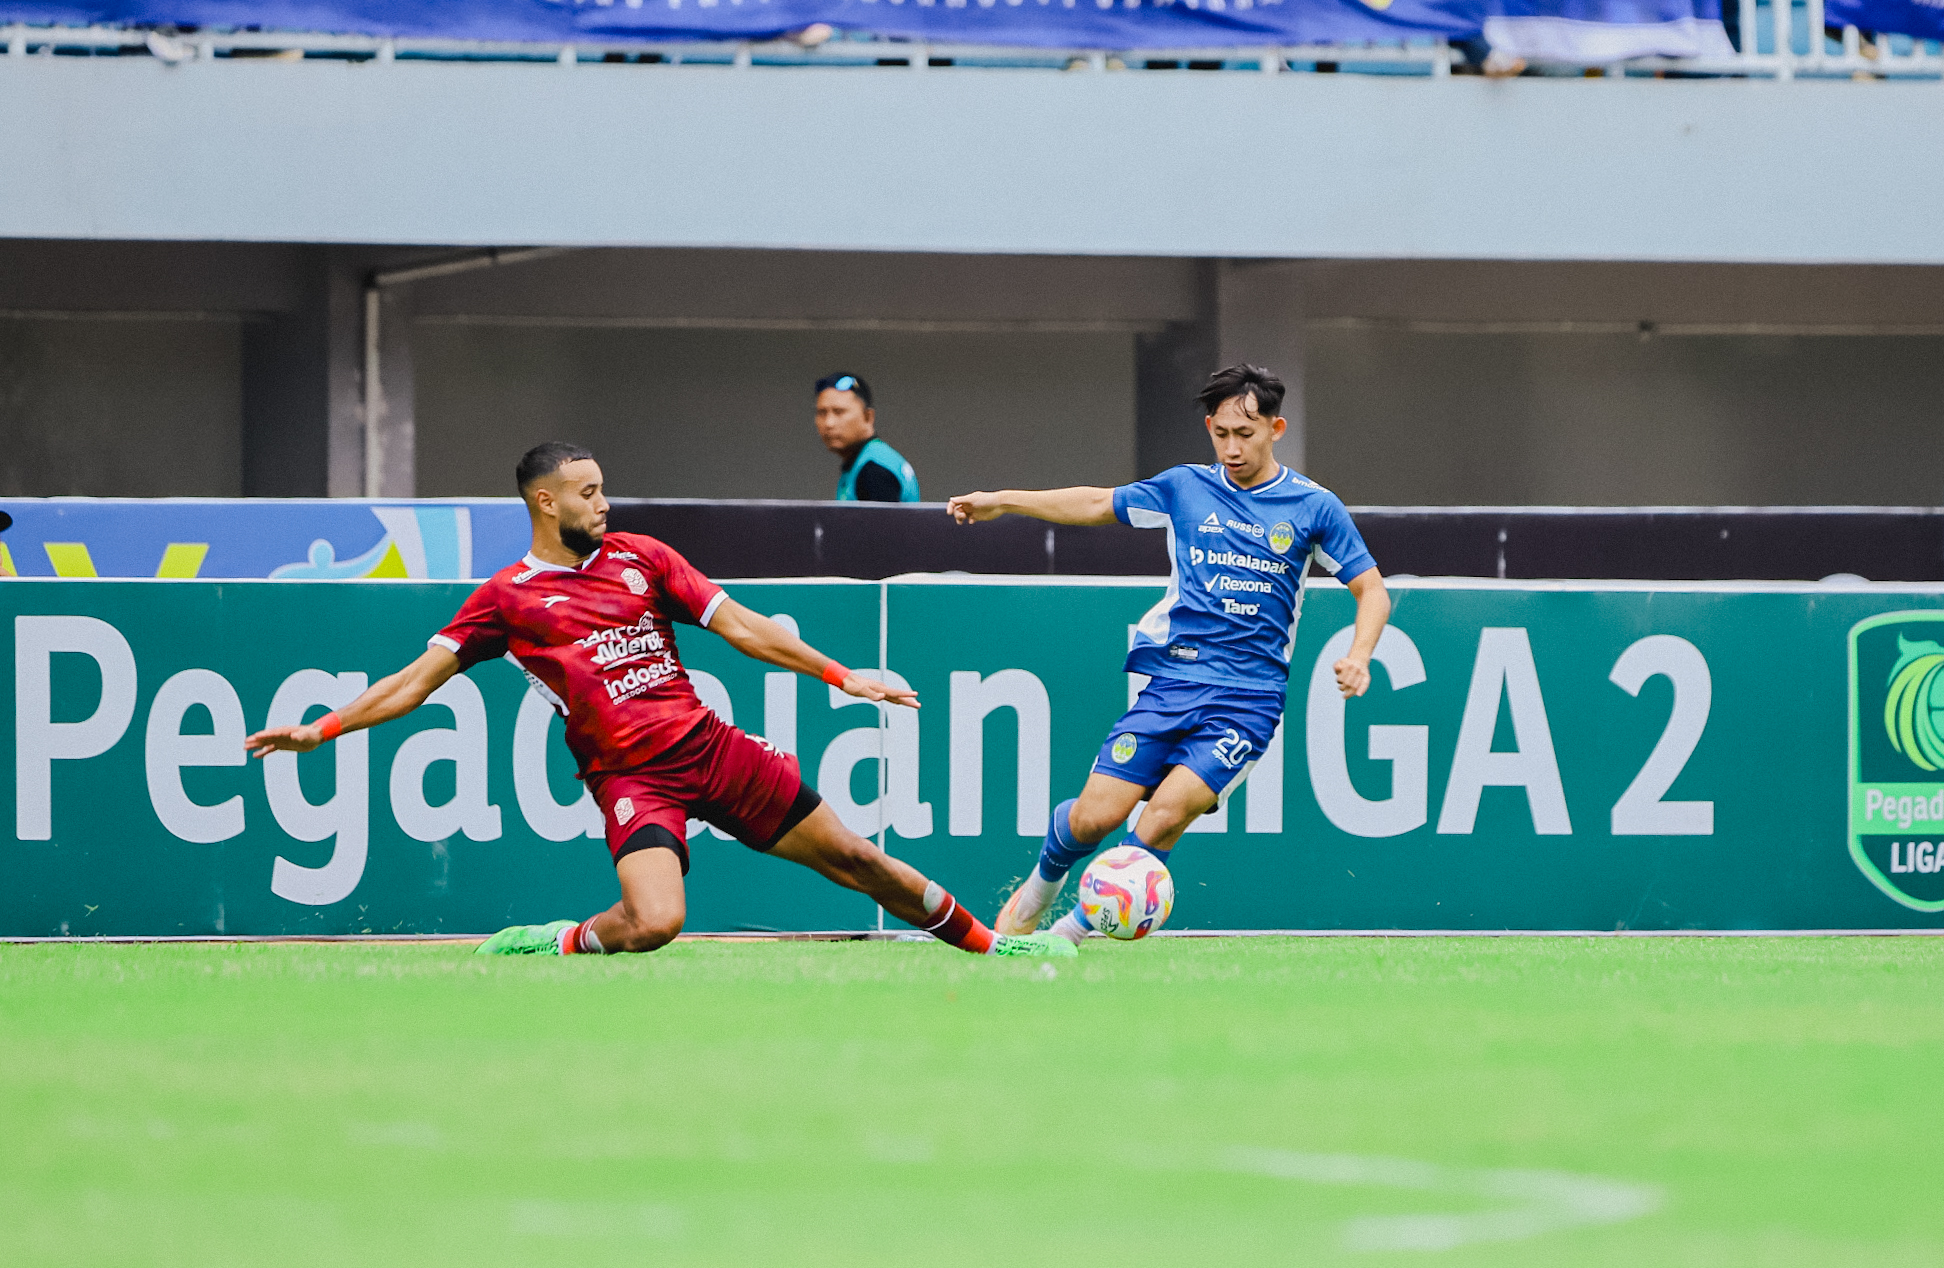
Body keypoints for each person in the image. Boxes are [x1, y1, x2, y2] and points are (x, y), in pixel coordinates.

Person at [246, 441, 1072, 959]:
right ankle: (562, 940)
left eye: (604, 489)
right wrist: (323, 729)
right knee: (654, 925)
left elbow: (744, 627)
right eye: (588, 492)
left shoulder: (642, 557)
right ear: (545, 502)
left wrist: (842, 675)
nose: (603, 503)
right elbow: (412, 682)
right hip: (632, 782)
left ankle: (994, 947)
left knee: (859, 859)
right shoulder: (506, 599)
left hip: (713, 751)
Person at [945, 365, 1391, 944]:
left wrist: (1360, 654)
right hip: (1173, 682)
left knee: (1160, 819)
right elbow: (1094, 502)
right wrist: (1004, 501)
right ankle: (1035, 896)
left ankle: (1068, 939)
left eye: (1246, 434)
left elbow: (1372, 589)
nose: (1232, 447)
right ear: (1210, 427)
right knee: (1092, 819)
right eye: (1221, 433)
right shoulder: (1185, 488)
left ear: (1276, 428)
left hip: (1249, 701)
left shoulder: (1314, 507)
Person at [814, 372, 920, 502]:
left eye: (839, 412)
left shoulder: (874, 471)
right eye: (822, 413)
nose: (829, 423)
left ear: (868, 417)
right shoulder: (864, 461)